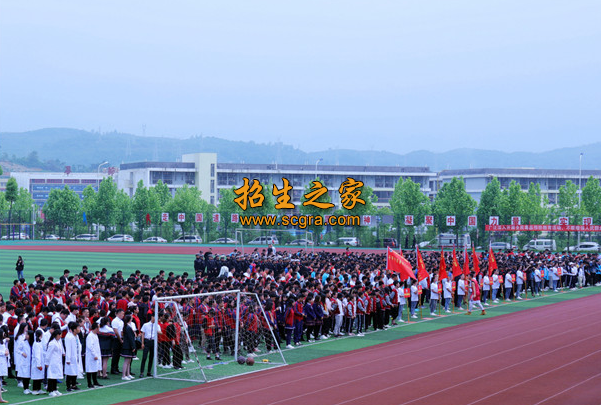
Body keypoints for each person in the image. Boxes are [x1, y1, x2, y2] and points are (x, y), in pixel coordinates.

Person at [139, 311, 160, 378]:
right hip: (147, 341)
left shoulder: (157, 325)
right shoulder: (146, 325)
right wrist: (142, 343)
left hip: (153, 341)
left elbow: (159, 333)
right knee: (144, 357)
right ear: (152, 317)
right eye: (155, 317)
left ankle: (149, 371)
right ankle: (142, 372)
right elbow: (143, 334)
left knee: (151, 357)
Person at [46, 330, 64, 397]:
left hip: (57, 361)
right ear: (57, 335)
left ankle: (55, 389)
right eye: (60, 335)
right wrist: (47, 362)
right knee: (51, 376)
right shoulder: (52, 343)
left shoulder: (58, 342)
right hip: (52, 362)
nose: (61, 336)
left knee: (55, 376)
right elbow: (48, 353)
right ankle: (50, 390)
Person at [15, 323, 32, 394]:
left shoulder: (31, 342)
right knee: (25, 375)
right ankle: (25, 388)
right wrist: (22, 353)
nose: (26, 335)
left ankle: (27, 388)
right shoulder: (22, 341)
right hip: (24, 360)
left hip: (29, 361)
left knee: (28, 375)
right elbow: (17, 349)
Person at [65, 321, 81, 392]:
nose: (79, 329)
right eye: (78, 328)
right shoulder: (69, 337)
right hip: (71, 357)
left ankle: (74, 385)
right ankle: (68, 386)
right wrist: (68, 359)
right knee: (69, 372)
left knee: (75, 371)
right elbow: (68, 349)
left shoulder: (76, 336)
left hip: (76, 356)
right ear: (74, 329)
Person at [85, 322, 102, 388]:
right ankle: (89, 383)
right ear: (96, 328)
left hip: (96, 354)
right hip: (91, 355)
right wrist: (94, 354)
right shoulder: (90, 336)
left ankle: (95, 381)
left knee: (95, 368)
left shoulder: (95, 335)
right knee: (90, 369)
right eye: (98, 327)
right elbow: (90, 346)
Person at [120, 314, 136, 380]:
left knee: (128, 360)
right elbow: (130, 338)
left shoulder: (127, 326)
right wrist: (133, 346)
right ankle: (124, 375)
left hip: (128, 345)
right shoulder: (128, 327)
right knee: (126, 361)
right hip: (128, 346)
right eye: (131, 318)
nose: (132, 319)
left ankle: (128, 374)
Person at [31, 329, 45, 395]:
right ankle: (34, 389)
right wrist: (38, 364)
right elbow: (37, 355)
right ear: (41, 335)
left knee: (39, 377)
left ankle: (39, 389)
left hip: (40, 361)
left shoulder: (39, 343)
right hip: (37, 362)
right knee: (36, 377)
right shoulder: (36, 344)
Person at [0, 327, 9, 403]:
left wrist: (6, 351)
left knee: (0, 382)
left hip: (2, 361)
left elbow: (5, 349)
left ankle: (0, 398)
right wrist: (4, 352)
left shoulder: (2, 342)